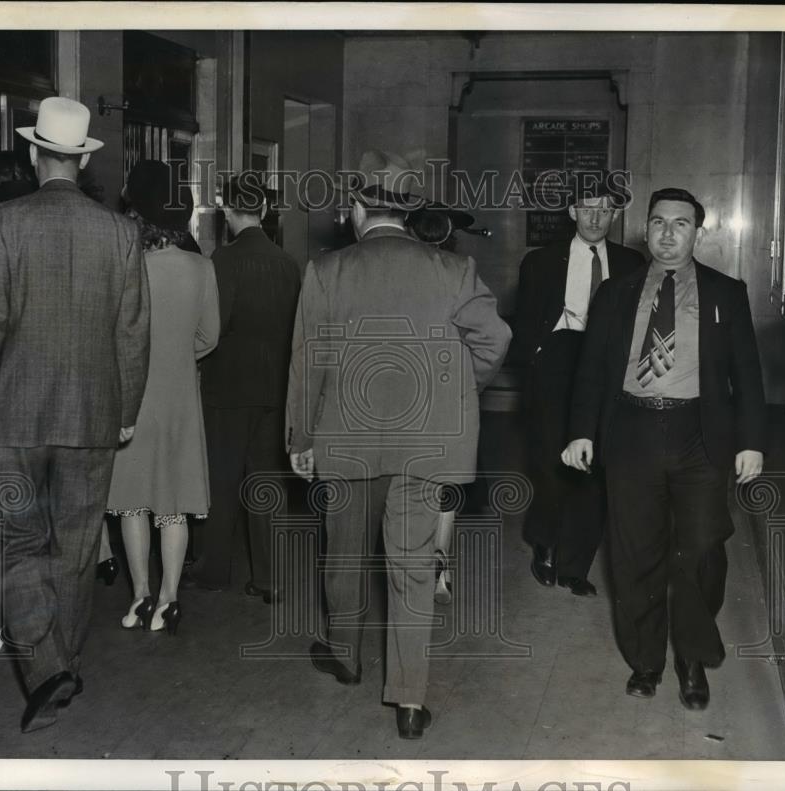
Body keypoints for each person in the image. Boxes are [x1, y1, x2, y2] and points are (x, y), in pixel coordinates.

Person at [286, 149, 511, 739]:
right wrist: (458, 388)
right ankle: (410, 702)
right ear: (409, 213)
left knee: (342, 555)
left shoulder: (326, 271)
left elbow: (306, 364)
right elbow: (494, 341)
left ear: (358, 208)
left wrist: (300, 437)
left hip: (343, 438)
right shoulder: (452, 271)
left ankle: (344, 656)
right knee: (412, 568)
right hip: (426, 445)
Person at [0, 96, 151, 732]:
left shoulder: (2, 222)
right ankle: (64, 664)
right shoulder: (121, 231)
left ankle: (46, 666)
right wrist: (126, 410)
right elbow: (133, 331)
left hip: (15, 411)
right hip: (94, 412)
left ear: (33, 152)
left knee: (21, 544)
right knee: (75, 549)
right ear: (81, 161)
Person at [563, 187, 766, 709]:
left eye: (680, 224)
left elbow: (747, 376)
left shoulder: (726, 292)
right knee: (635, 555)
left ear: (698, 232)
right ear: (645, 228)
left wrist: (751, 443)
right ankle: (646, 662)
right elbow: (589, 372)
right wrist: (582, 430)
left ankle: (692, 657)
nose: (667, 233)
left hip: (700, 436)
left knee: (701, 549)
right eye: (657, 223)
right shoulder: (614, 293)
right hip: (631, 432)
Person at [511, 184, 645, 597]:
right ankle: (545, 543)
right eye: (587, 209)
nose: (595, 218)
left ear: (614, 216)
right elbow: (525, 319)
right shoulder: (540, 262)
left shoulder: (630, 262)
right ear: (572, 211)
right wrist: (537, 358)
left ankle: (574, 565)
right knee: (553, 462)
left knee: (595, 467)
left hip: (607, 368)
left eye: (604, 211)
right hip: (556, 363)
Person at [105, 160, 220, 634]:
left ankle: (139, 597)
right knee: (173, 503)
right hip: (178, 399)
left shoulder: (123, 265)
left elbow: (108, 335)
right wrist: (176, 356)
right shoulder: (200, 266)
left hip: (130, 397)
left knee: (131, 502)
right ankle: (170, 597)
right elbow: (209, 337)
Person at [184, 172, 299, 600]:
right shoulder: (289, 265)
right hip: (275, 388)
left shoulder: (222, 262)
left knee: (222, 479)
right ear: (266, 211)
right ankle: (269, 577)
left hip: (227, 387)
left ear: (227, 212)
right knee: (266, 482)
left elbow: (214, 326)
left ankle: (214, 568)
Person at [405, 205, 480, 605]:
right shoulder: (461, 272)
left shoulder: (394, 272)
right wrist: (473, 379)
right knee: (445, 484)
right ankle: (440, 563)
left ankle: (413, 566)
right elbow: (489, 335)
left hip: (400, 395)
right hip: (448, 394)